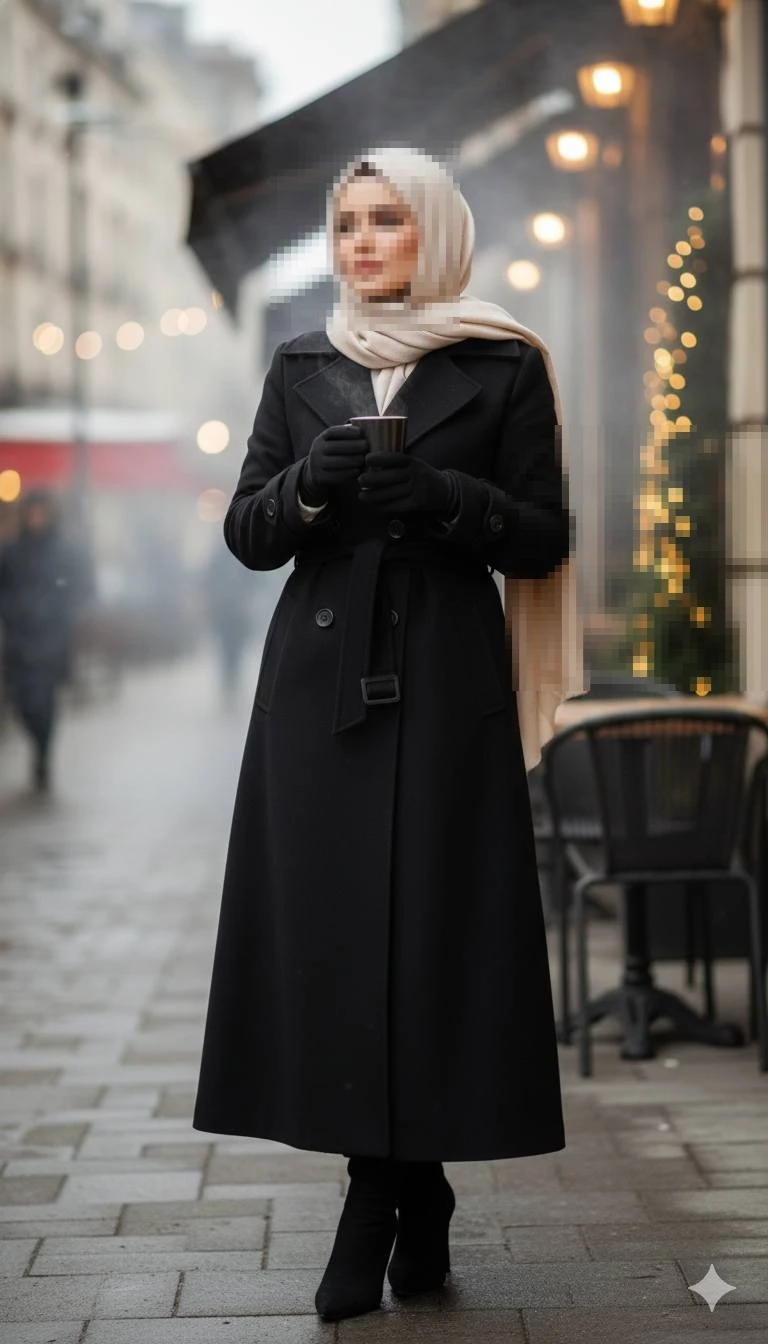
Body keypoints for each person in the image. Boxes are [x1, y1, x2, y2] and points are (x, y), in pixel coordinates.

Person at [193, 148, 584, 1323]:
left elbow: (545, 535)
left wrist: (448, 501)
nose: (360, 245)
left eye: (387, 222)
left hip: (449, 684)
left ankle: (387, 1194)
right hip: (319, 691)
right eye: (347, 224)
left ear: (436, 233)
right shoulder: (301, 363)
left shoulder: (504, 361)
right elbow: (249, 534)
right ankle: (400, 1188)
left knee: (433, 937)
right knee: (337, 941)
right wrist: (309, 487)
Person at [0, 487, 93, 791]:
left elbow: (82, 588)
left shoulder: (65, 552)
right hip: (19, 639)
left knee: (44, 701)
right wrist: (14, 611)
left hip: (52, 639)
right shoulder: (12, 552)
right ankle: (38, 745)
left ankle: (42, 754)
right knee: (21, 701)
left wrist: (58, 608)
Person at [201, 542, 255, 706]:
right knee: (230, 651)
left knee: (230, 651)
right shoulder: (239, 557)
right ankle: (229, 683)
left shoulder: (221, 560)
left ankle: (230, 683)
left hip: (230, 615)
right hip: (230, 615)